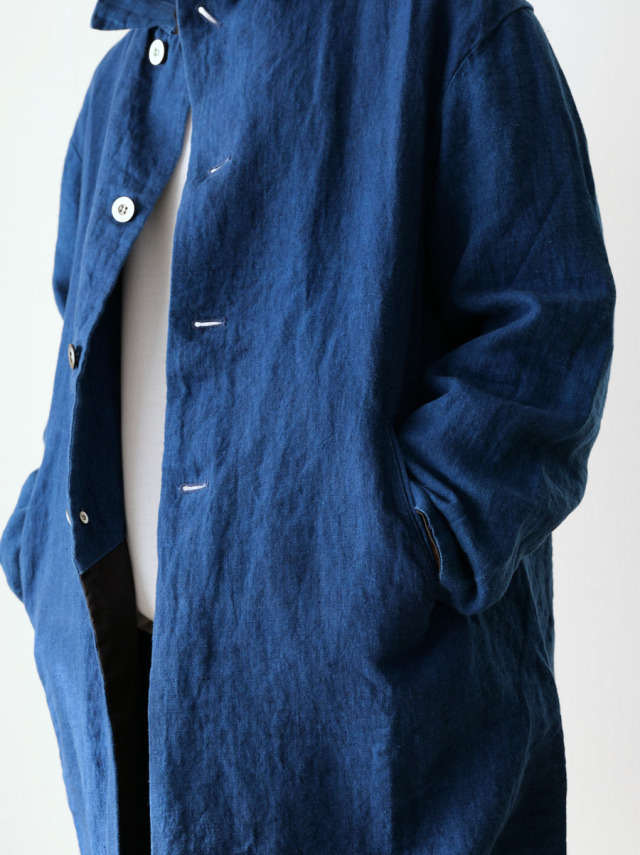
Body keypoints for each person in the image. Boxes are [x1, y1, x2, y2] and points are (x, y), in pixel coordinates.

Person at [0, 0, 616, 853]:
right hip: (120, 703)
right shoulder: (119, 85)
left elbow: (545, 324)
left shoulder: (445, 21)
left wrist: (401, 548)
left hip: (364, 727)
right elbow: (83, 336)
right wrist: (38, 549)